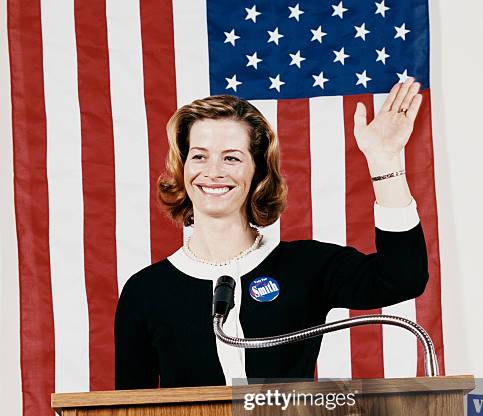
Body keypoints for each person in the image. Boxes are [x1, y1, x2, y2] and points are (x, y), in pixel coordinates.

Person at [115, 78, 428, 390]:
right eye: (199, 156)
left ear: (258, 172)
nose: (213, 171)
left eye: (231, 157)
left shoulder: (306, 267)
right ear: (182, 167)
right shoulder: (145, 292)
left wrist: (384, 159)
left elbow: (403, 277)